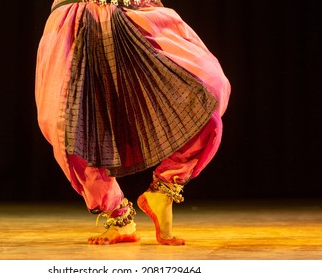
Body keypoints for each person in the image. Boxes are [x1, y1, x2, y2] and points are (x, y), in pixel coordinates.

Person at [35, 0, 230, 245]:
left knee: (207, 92)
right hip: (74, 22)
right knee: (68, 130)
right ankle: (118, 217)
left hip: (134, 15)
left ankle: (164, 191)